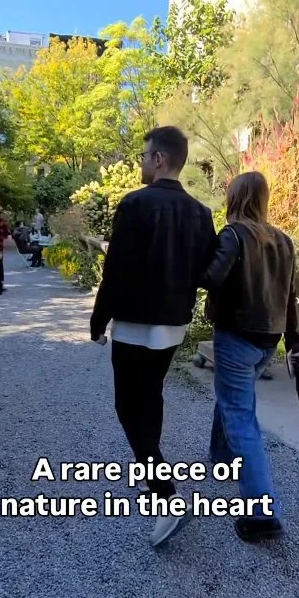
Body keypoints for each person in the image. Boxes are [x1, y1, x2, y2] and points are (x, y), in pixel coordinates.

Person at [90, 126, 216, 548]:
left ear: (159, 158)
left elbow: (116, 270)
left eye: (144, 156)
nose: (142, 163)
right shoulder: (201, 213)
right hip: (174, 324)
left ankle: (166, 495)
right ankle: (152, 472)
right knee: (151, 396)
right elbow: (206, 271)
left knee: (128, 408)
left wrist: (98, 321)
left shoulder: (135, 204)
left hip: (135, 323)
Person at [201, 171, 299, 544]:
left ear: (235, 198)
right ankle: (222, 459)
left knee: (241, 418)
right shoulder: (284, 240)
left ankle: (262, 514)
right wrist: (295, 344)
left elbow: (208, 279)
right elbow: (290, 299)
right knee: (234, 400)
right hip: (268, 341)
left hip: (236, 337)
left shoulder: (233, 235)